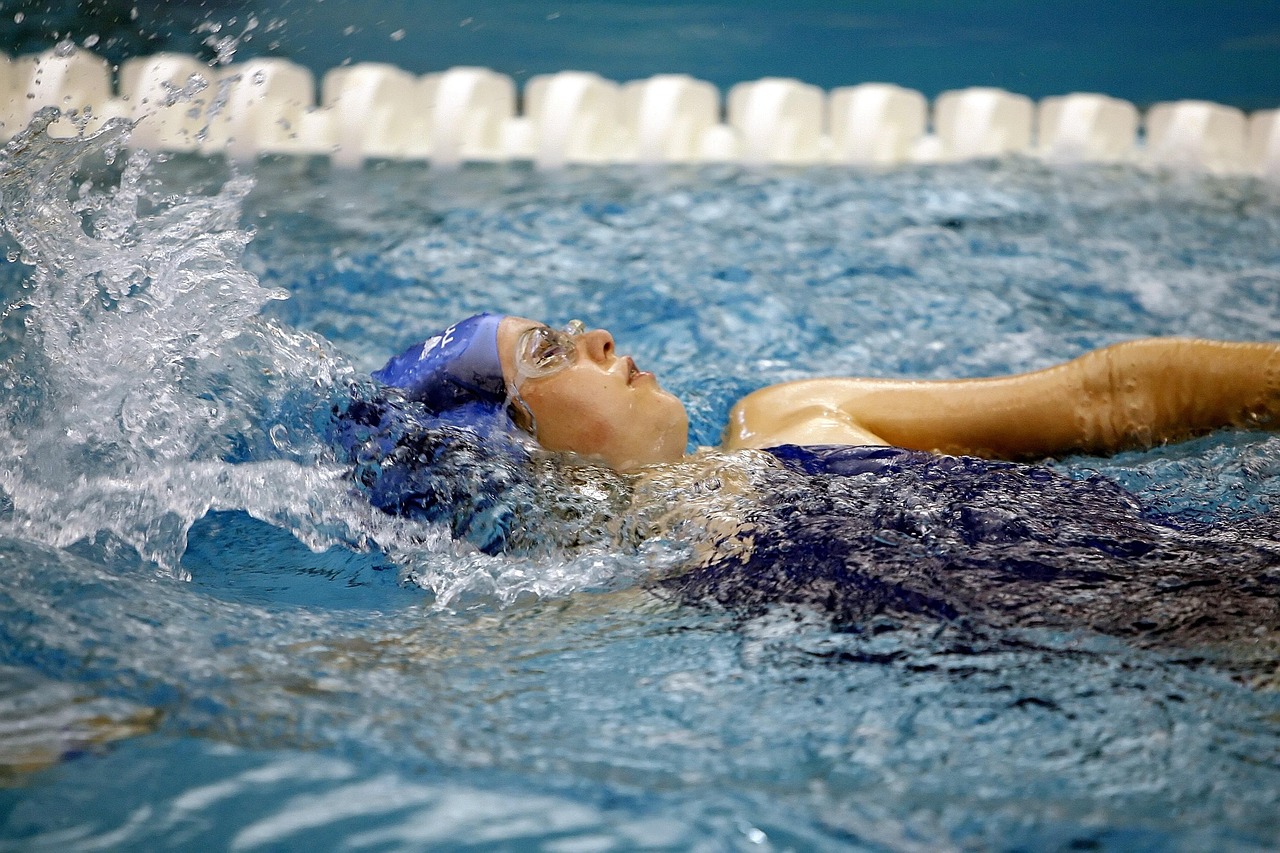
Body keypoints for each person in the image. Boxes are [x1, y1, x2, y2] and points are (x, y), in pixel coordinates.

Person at [371, 312, 1280, 471]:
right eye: (551, 350)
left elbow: (1107, 397)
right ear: (508, 447)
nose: (599, 337)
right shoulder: (601, 604)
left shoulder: (791, 413)